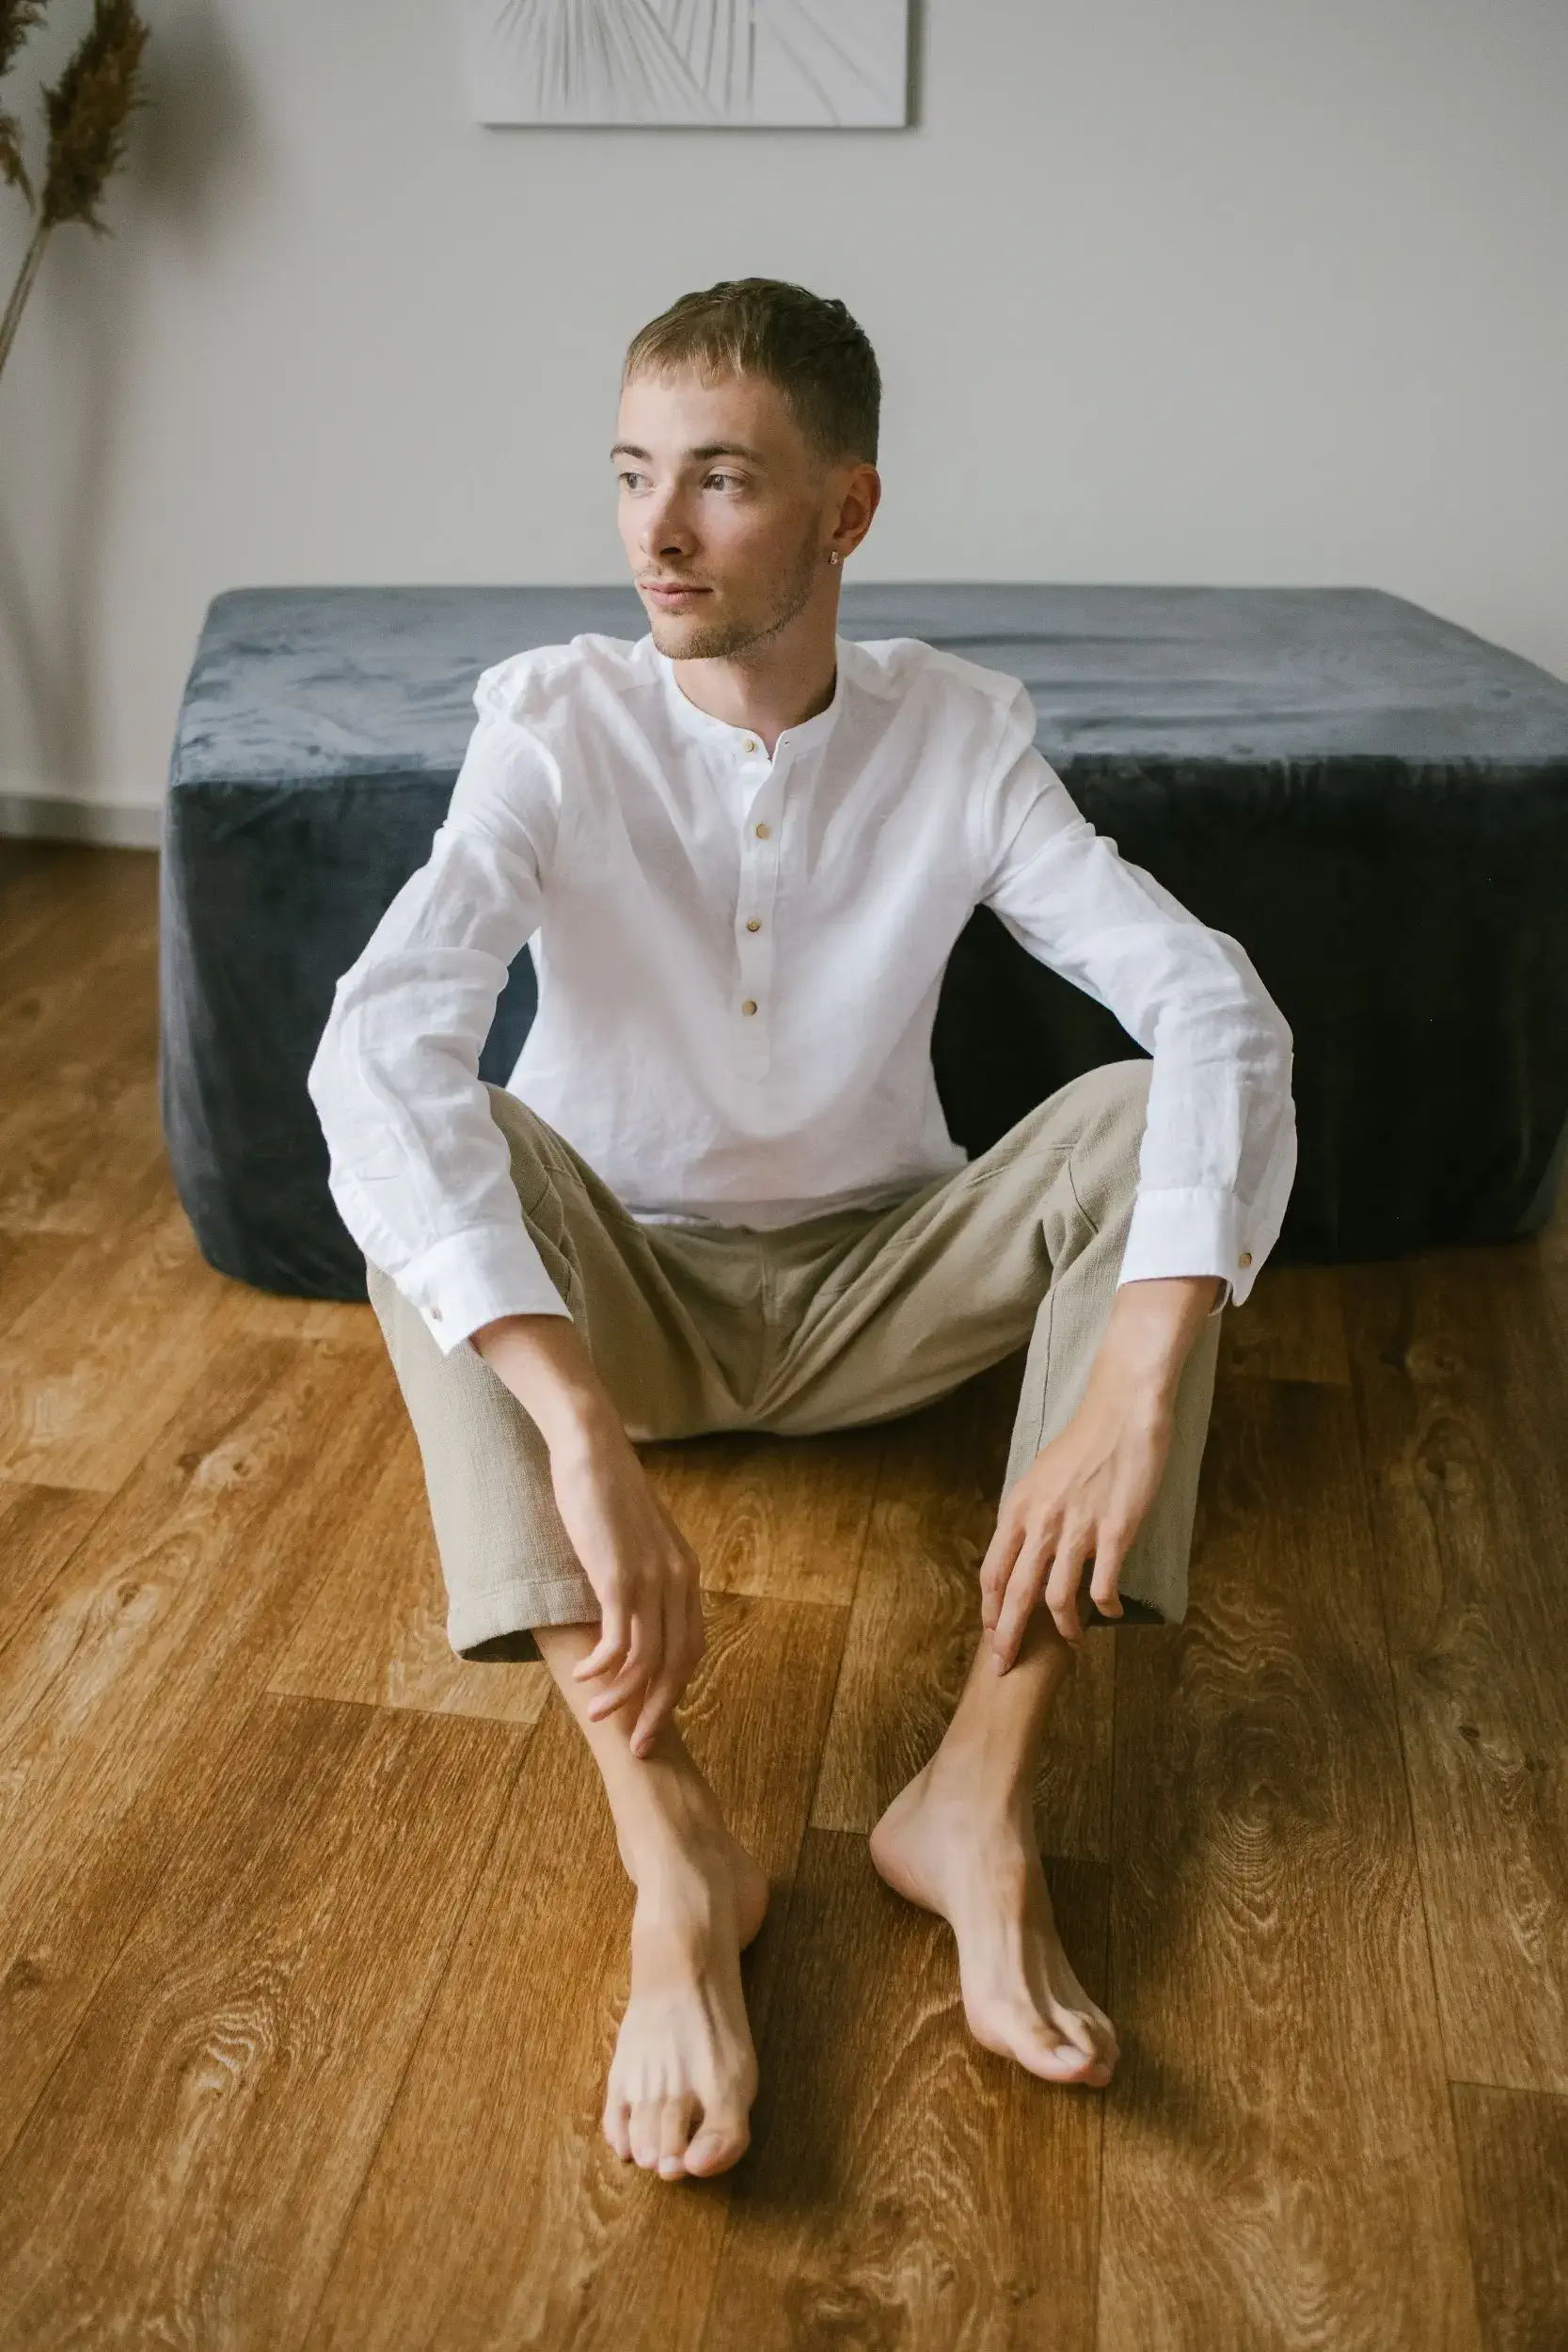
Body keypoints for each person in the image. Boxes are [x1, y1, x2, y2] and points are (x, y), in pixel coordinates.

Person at [306, 277, 1295, 2185]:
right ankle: (671, 1845)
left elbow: (1214, 1010)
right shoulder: (552, 725)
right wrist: (575, 1423)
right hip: (623, 1300)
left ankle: (975, 1793)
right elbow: (375, 1047)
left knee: (1138, 1113)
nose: (658, 533)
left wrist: (1134, 1379)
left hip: (880, 1284)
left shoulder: (958, 734)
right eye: (631, 475)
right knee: (423, 1141)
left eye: (721, 480)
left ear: (846, 511)